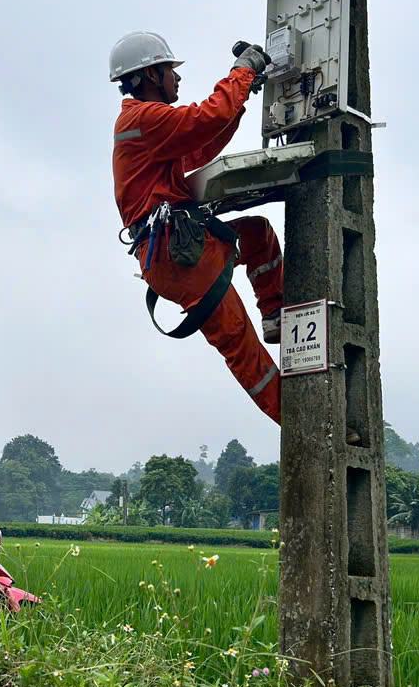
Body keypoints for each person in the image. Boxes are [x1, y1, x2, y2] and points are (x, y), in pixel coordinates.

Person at [110, 31, 289, 423]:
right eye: (170, 71)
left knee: (257, 234)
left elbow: (200, 143)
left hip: (184, 245)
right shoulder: (142, 119)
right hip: (180, 256)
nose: (177, 78)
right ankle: (301, 422)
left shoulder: (146, 126)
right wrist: (241, 73)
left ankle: (275, 314)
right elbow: (206, 118)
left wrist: (239, 99)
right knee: (241, 344)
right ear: (150, 75)